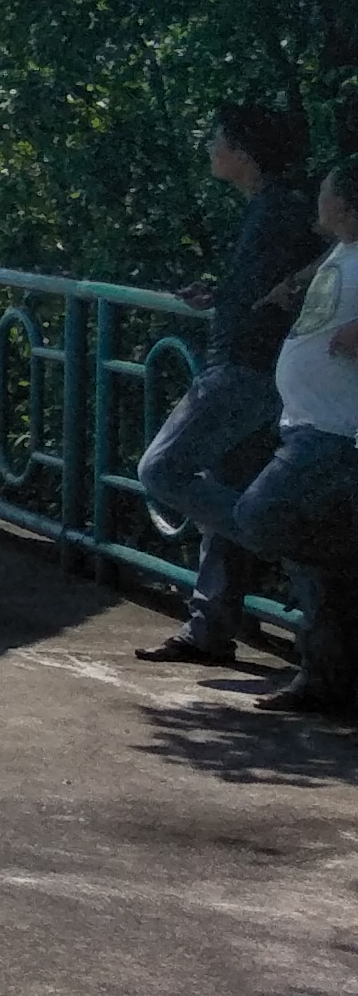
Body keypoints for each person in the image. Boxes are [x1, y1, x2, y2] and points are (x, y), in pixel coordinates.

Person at [134, 103, 326, 665]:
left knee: (163, 470)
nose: (209, 147)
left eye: (216, 138)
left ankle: (294, 548)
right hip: (255, 367)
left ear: (242, 151)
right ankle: (209, 629)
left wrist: (292, 284)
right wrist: (223, 293)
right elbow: (271, 279)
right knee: (225, 490)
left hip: (246, 369)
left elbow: (340, 248)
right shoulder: (268, 209)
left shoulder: (285, 208)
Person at [228, 163, 358, 715]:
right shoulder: (342, 250)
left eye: (326, 194)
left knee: (261, 514)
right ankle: (325, 681)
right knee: (322, 571)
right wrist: (293, 284)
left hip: (337, 431)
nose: (317, 201)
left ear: (348, 206)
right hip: (309, 422)